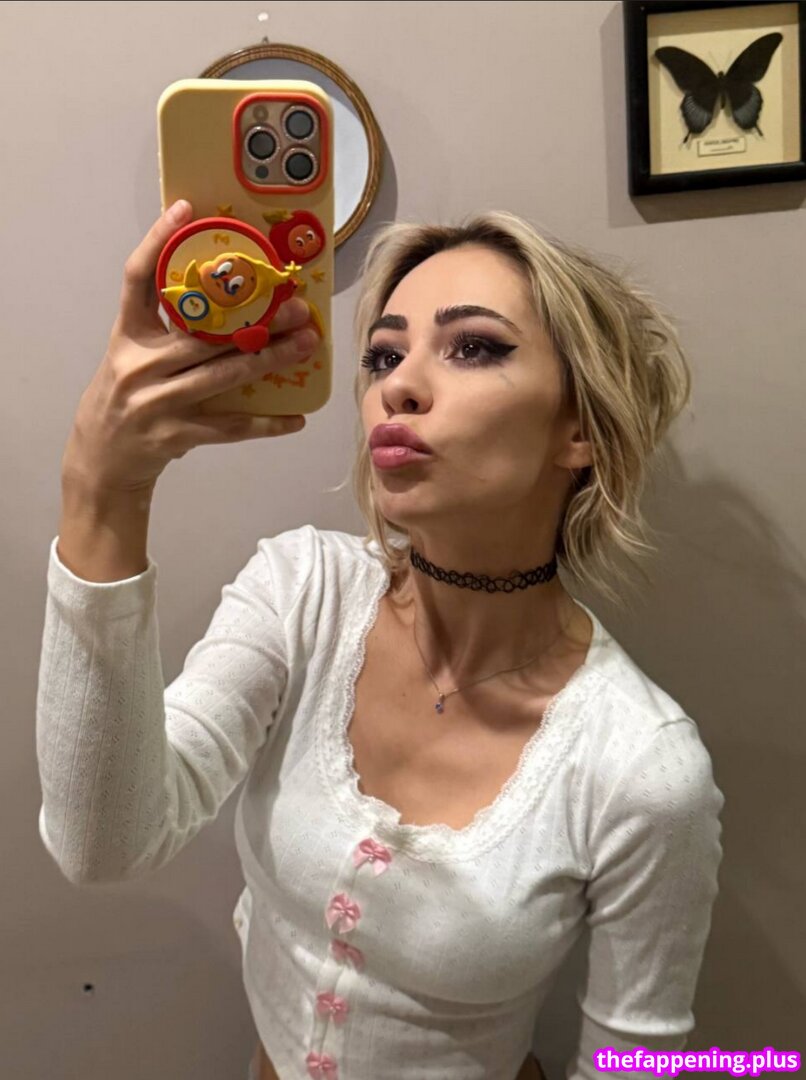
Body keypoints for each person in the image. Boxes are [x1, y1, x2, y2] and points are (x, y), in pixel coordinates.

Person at [36, 200, 724, 1080]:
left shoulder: (642, 768)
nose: (399, 386)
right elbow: (106, 844)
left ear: (579, 429)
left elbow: (637, 1061)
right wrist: (102, 491)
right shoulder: (302, 594)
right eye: (384, 356)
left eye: (474, 347)